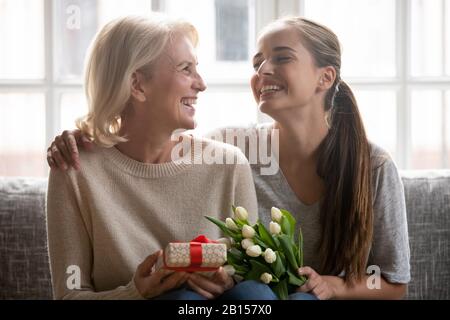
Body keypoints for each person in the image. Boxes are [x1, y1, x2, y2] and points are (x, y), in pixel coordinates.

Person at [47, 16, 410, 300]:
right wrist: (88, 134)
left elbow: (391, 282)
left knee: (262, 296)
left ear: (325, 77)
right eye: (257, 62)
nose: (262, 71)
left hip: (302, 296)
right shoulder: (232, 149)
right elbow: (155, 149)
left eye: (281, 58)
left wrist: (336, 286)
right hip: (230, 296)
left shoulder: (371, 166)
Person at [46, 14, 259, 300]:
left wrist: (229, 281)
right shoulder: (73, 169)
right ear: (137, 85)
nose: (201, 84)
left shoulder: (229, 164)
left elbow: (252, 268)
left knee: (253, 295)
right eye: (186, 69)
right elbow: (69, 294)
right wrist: (135, 293)